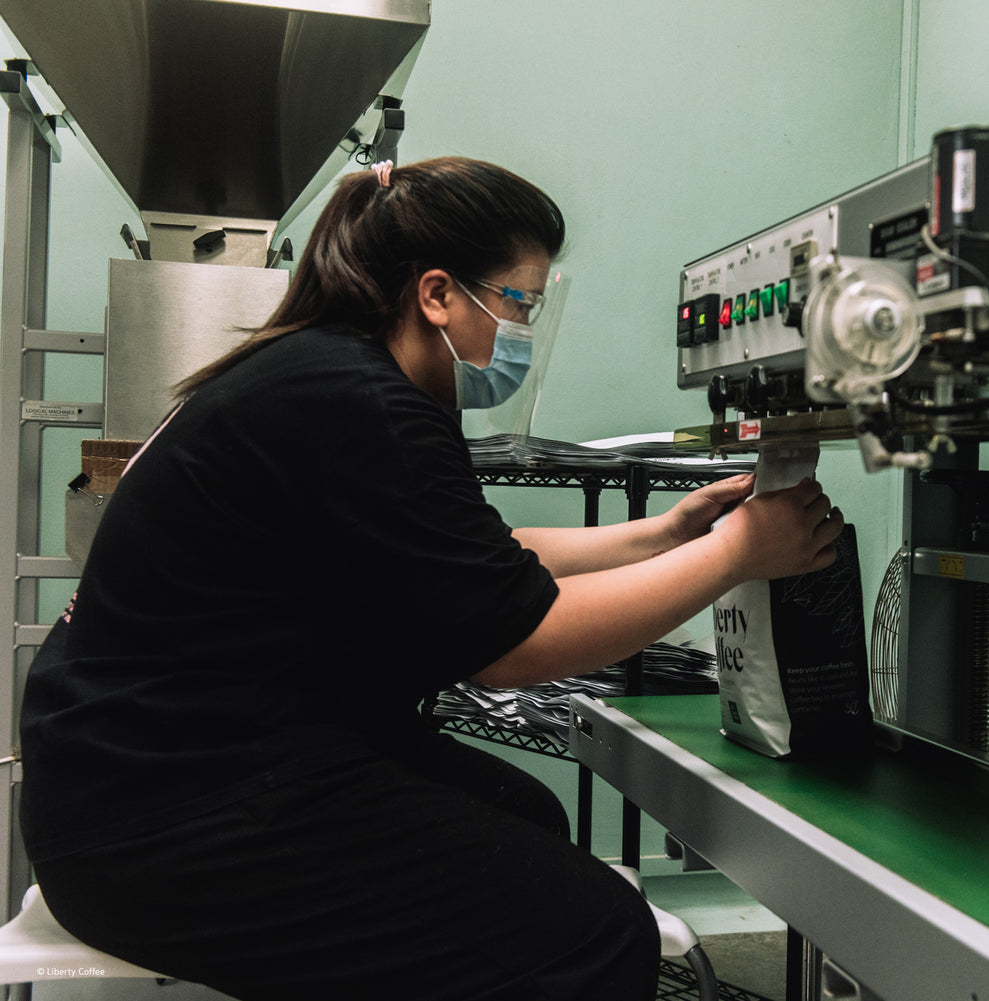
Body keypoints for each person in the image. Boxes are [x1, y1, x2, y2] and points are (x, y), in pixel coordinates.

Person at [18, 156, 844, 1001]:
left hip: (142, 779)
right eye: (518, 303)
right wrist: (738, 552)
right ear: (439, 293)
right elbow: (514, 644)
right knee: (598, 933)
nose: (519, 330)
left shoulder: (324, 371)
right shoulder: (359, 398)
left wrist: (664, 533)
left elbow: (468, 553)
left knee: (525, 815)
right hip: (166, 820)